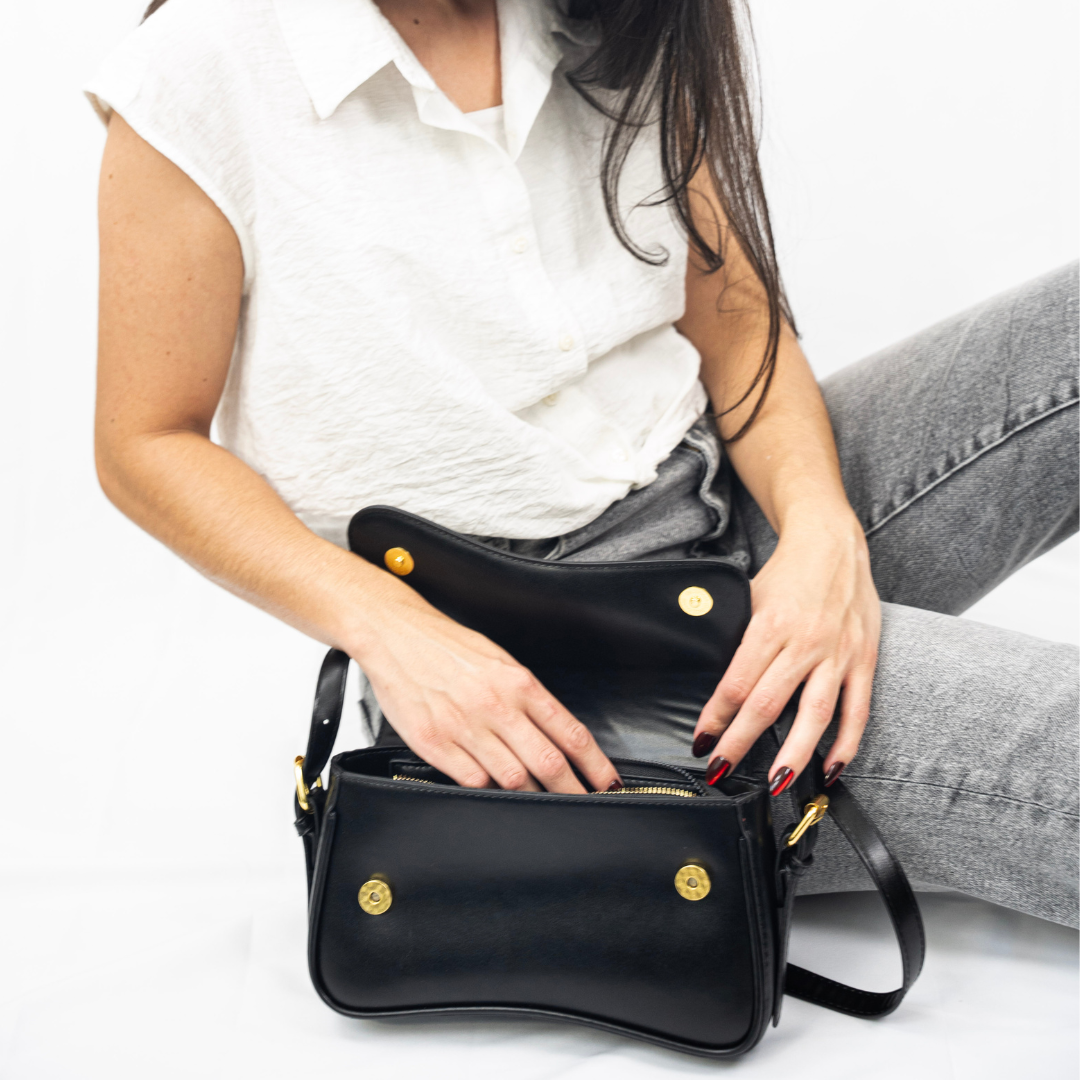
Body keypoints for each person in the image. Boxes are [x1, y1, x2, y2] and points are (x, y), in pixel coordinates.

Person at [89, 0, 1078, 926]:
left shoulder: (608, 15)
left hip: (718, 492)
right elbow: (146, 441)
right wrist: (391, 630)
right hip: (555, 669)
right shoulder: (210, 61)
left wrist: (823, 534)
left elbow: (736, 329)